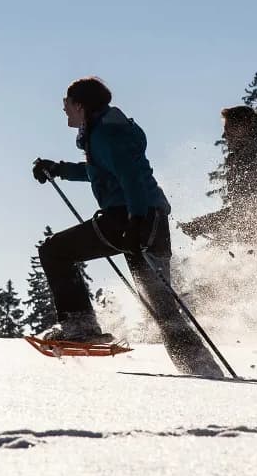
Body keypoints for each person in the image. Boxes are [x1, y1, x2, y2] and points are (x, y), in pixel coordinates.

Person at [32, 77, 222, 378]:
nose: (64, 110)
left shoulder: (106, 135)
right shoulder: (108, 132)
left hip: (131, 217)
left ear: (80, 105)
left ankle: (80, 326)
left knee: (54, 251)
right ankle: (202, 370)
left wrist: (135, 221)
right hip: (151, 220)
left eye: (66, 104)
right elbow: (103, 171)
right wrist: (60, 170)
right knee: (162, 306)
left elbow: (130, 177)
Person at [178, 106, 257, 259]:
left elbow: (248, 214)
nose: (224, 135)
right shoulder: (253, 158)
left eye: (228, 129)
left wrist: (201, 224)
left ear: (242, 129)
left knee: (215, 268)